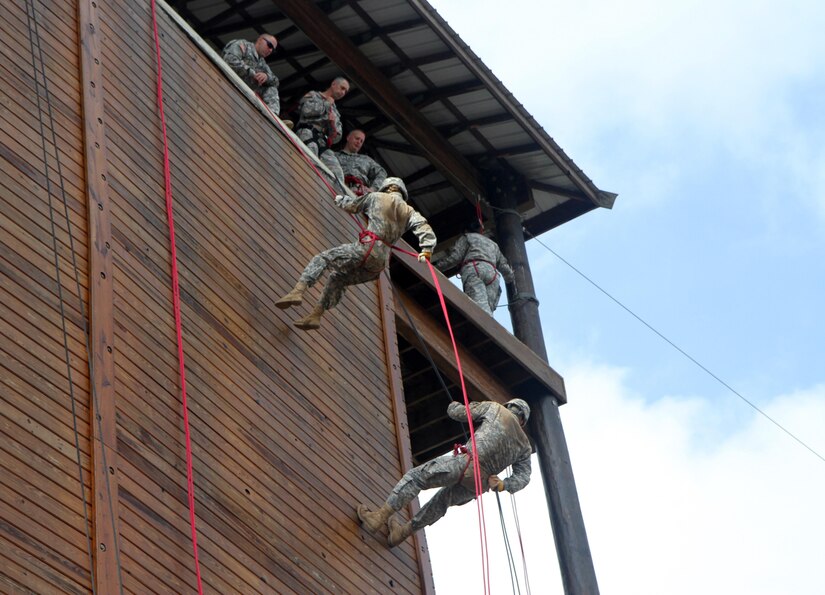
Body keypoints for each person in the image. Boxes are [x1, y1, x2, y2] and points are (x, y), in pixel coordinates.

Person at [357, 398, 532, 547]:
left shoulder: (496, 408)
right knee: (441, 502)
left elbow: (459, 413)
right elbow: (523, 477)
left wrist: (453, 405)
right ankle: (401, 533)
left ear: (509, 406)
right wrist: (503, 485)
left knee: (417, 478)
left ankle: (378, 518)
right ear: (523, 421)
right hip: (479, 485)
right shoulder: (524, 446)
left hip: (465, 463)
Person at [275, 177, 435, 330]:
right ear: (402, 193)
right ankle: (316, 315)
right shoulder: (409, 211)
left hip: (367, 248)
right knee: (338, 278)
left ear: (386, 188)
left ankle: (298, 291)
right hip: (379, 265)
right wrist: (426, 250)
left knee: (323, 258)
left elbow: (351, 206)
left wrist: (339, 199)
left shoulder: (375, 197)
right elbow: (423, 226)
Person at [432, 220, 515, 315]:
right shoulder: (493, 244)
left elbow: (454, 258)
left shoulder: (467, 237)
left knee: (479, 310)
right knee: (488, 309)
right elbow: (504, 267)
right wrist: (510, 277)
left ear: (466, 230)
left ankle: (482, 328)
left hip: (474, 270)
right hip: (493, 275)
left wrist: (434, 267)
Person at [295, 77, 350, 184]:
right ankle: (302, 184)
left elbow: (336, 138)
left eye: (345, 91)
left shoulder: (335, 112)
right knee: (310, 156)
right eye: (342, 88)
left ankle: (337, 198)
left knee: (337, 172)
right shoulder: (314, 95)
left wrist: (332, 124)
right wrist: (326, 104)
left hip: (322, 142)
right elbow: (306, 110)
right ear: (333, 84)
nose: (343, 92)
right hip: (307, 133)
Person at [222, 34, 281, 116]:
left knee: (271, 88)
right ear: (260, 40)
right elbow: (230, 60)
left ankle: (273, 116)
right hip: (227, 83)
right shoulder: (243, 45)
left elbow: (276, 82)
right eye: (269, 45)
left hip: (244, 97)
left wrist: (267, 77)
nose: (270, 50)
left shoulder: (262, 63)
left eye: (273, 50)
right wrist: (252, 74)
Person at [337, 129, 387, 196]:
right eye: (357, 138)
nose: (359, 142)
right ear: (348, 138)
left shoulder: (366, 160)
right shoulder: (334, 155)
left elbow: (382, 173)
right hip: (337, 186)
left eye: (361, 141)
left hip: (357, 195)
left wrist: (372, 189)